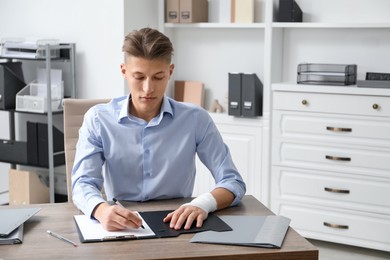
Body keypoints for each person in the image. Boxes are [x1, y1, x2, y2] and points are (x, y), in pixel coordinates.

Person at [71, 27, 246, 231]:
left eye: (158, 77)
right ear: (124, 71)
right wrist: (101, 211)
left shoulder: (196, 119)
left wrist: (202, 204)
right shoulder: (98, 119)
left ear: (170, 72)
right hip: (122, 225)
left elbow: (233, 182)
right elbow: (83, 182)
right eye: (139, 77)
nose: (148, 89)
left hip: (178, 224)